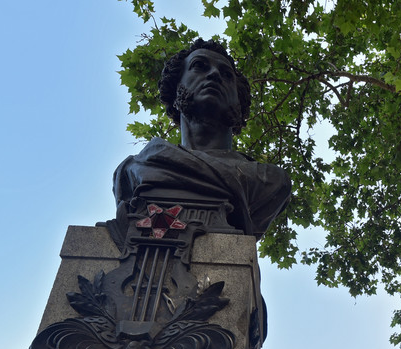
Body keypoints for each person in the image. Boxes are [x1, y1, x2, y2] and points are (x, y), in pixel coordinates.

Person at [110, 39, 291, 242]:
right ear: (176, 88)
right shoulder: (135, 169)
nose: (214, 74)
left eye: (226, 74)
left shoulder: (270, 180)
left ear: (239, 101)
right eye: (199, 66)